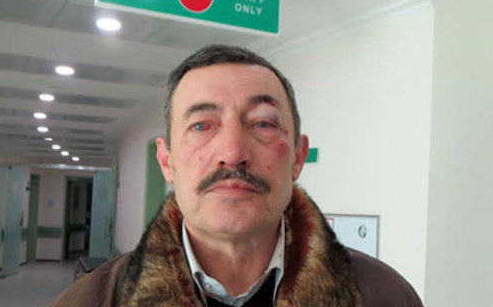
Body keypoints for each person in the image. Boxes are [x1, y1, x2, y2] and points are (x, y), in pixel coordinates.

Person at [50, 45, 423, 306]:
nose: (232, 152)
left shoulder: (385, 297)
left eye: (262, 123)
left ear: (297, 156)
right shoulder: (88, 302)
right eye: (201, 126)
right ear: (167, 161)